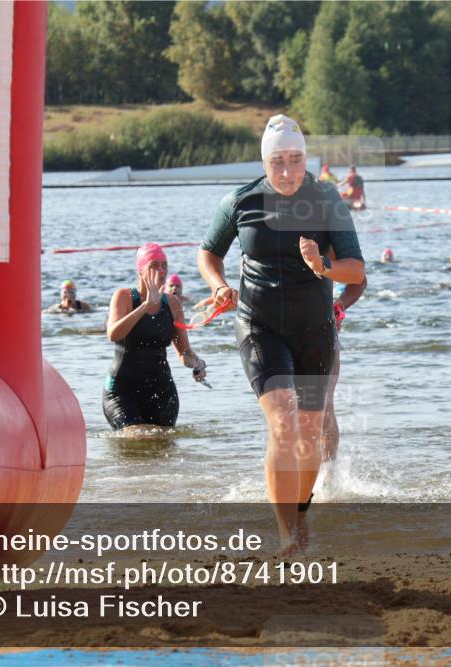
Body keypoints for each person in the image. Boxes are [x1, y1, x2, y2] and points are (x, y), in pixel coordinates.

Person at [198, 113, 366, 554]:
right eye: (278, 162)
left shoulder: (327, 200)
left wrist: (322, 266)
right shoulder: (241, 201)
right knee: (282, 419)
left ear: (305, 159)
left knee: (309, 434)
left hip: (315, 330)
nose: (288, 172)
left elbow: (357, 272)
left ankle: (300, 514)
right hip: (260, 326)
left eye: (295, 160)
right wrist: (219, 286)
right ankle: (286, 531)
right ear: (264, 162)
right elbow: (208, 253)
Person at [103, 243, 207, 432]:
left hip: (161, 391)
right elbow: (113, 334)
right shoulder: (124, 296)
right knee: (136, 435)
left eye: (164, 265)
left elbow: (184, 352)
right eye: (154, 265)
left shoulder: (173, 303)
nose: (161, 271)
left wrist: (197, 364)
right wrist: (145, 305)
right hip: (122, 390)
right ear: (141, 271)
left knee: (162, 441)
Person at [320, 278, 367, 465]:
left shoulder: (322, 257)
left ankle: (328, 475)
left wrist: (340, 305)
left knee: (323, 406)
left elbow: (359, 279)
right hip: (272, 336)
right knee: (284, 409)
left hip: (321, 332)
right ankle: (288, 475)